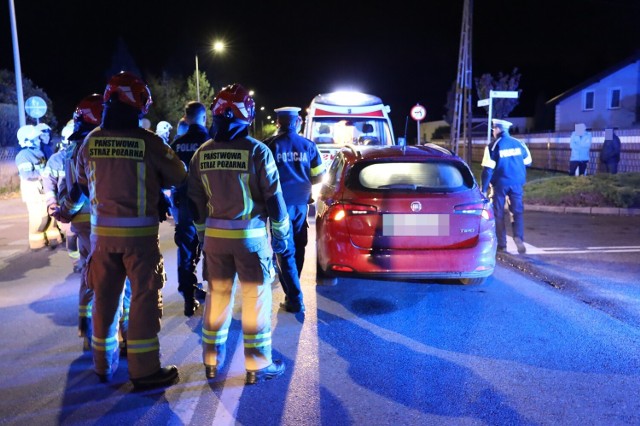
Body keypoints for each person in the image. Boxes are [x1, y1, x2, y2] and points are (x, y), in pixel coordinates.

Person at [75, 71, 187, 389]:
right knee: (142, 301)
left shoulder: (91, 140)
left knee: (105, 301)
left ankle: (102, 365)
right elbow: (178, 175)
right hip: (139, 241)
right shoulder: (148, 142)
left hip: (101, 239)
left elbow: (84, 183)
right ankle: (144, 371)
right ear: (136, 104)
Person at [188, 83, 290, 384]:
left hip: (216, 242)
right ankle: (257, 365)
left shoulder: (201, 154)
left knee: (217, 298)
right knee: (255, 299)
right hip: (251, 240)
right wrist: (282, 236)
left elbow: (195, 203)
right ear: (244, 114)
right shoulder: (257, 151)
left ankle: (210, 361)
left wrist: (204, 235)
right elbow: (274, 200)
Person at [264, 106, 325, 313]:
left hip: (278, 206)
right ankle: (293, 290)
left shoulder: (269, 146)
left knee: (284, 249)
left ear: (278, 122)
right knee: (298, 246)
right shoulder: (308, 145)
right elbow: (319, 176)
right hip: (301, 205)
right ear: (297, 122)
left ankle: (293, 295)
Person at [170, 101, 209, 316]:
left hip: (184, 204)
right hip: (209, 205)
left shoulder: (177, 145)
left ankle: (188, 295)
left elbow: (167, 178)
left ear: (185, 117)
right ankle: (213, 295)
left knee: (185, 249)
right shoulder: (212, 142)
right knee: (210, 248)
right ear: (204, 117)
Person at [481, 119, 532, 255]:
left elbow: (487, 170)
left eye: (493, 129)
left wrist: (483, 189)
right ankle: (518, 237)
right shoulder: (519, 143)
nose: (493, 132)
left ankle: (502, 245)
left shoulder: (493, 146)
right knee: (517, 211)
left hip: (499, 185)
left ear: (497, 129)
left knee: (498, 213)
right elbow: (528, 161)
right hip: (517, 183)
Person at [15, 125, 62, 250]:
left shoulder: (39, 152)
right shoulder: (23, 155)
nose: (38, 140)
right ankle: (37, 243)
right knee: (39, 218)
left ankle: (53, 239)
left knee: (50, 216)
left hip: (43, 190)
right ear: (27, 141)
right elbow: (26, 175)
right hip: (34, 193)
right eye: (35, 139)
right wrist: (43, 173)